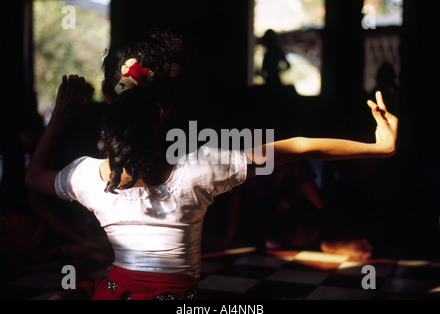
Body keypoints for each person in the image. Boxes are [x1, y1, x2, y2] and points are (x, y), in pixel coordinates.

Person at [25, 29, 398, 300]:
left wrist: (59, 116)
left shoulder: (87, 177)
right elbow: (297, 147)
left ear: (108, 97)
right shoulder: (198, 170)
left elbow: (33, 178)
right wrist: (379, 148)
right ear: (166, 107)